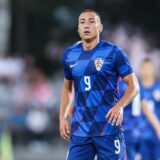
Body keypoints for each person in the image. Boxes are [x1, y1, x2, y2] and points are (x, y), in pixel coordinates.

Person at [59, 9, 139, 160]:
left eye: (91, 21)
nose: (86, 25)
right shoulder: (69, 55)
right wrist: (62, 117)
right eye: (82, 22)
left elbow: (134, 85)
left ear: (100, 27)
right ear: (78, 28)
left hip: (108, 129)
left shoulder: (113, 52)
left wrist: (120, 106)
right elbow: (67, 87)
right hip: (80, 132)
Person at [138, 58, 160, 160]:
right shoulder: (135, 90)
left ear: (154, 70)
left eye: (149, 68)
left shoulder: (158, 88)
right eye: (145, 68)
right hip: (140, 137)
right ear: (140, 70)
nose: (147, 70)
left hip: (157, 138)